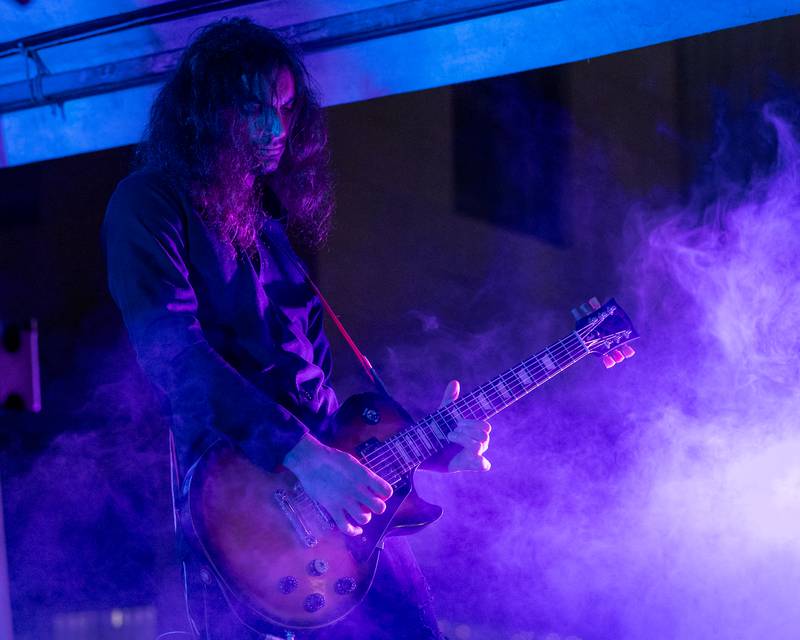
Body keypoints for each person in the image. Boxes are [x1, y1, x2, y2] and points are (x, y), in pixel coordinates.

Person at [102, 17, 491, 640]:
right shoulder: (148, 201)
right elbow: (173, 352)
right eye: (253, 108)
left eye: (285, 109)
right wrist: (302, 455)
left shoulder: (272, 235)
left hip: (339, 518)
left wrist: (427, 444)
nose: (274, 128)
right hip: (246, 516)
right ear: (205, 112)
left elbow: (322, 402)